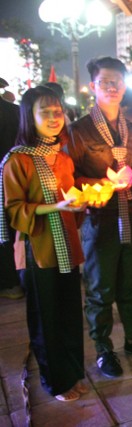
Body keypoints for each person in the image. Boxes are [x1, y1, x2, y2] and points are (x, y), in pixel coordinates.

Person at [67, 57, 132, 378]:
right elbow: (69, 178)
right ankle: (103, 348)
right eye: (105, 82)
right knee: (100, 287)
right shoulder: (79, 130)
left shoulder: (131, 130)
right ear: (93, 86)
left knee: (129, 281)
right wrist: (102, 184)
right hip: (100, 218)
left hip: (130, 212)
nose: (112, 87)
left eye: (117, 82)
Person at [1, 86, 86, 401]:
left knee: (69, 313)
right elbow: (14, 210)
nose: (53, 118)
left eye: (58, 112)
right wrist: (55, 207)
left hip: (67, 247)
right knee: (45, 318)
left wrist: (82, 203)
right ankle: (55, 381)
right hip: (38, 250)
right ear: (29, 116)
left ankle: (72, 372)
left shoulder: (61, 156)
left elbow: (69, 198)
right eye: (45, 112)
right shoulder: (17, 160)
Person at [0, 79, 23, 299]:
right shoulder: (16, 112)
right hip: (16, 178)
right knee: (12, 228)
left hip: (7, 177)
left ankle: (9, 282)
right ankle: (15, 280)